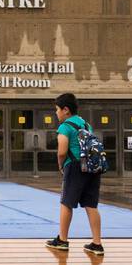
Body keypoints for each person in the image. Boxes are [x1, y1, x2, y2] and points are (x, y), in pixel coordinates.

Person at [46, 92, 104, 256]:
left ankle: (63, 240)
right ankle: (97, 243)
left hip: (75, 167)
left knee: (66, 203)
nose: (56, 113)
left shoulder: (65, 126)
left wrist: (60, 165)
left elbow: (62, 150)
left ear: (65, 110)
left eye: (57, 110)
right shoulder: (86, 125)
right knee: (91, 205)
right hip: (92, 168)